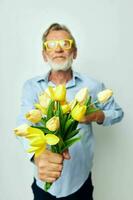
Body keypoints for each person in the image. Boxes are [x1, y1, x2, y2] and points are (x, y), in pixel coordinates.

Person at [16, 23, 124, 200]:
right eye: (51, 45)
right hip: (44, 184)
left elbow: (117, 113)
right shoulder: (32, 87)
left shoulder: (92, 86)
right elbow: (23, 124)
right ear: (44, 55)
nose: (58, 49)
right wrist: (37, 155)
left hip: (80, 182)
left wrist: (95, 115)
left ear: (74, 52)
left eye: (65, 44)